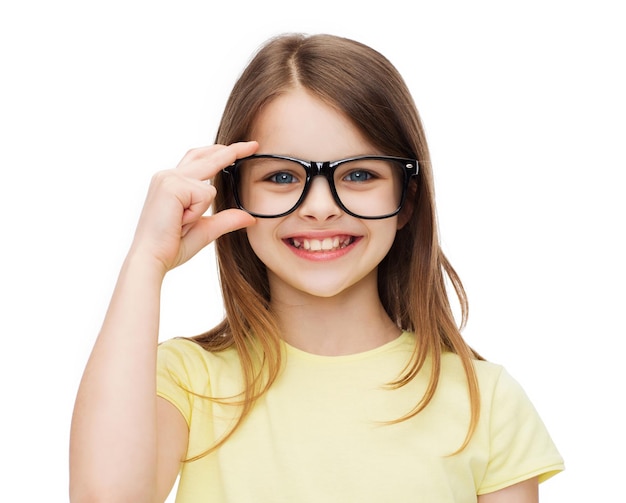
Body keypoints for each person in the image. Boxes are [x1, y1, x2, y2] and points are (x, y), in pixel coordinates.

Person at [69, 33, 564, 502]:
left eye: (359, 174)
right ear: (235, 192)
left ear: (406, 199)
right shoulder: (186, 379)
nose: (321, 207)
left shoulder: (486, 399)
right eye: (283, 176)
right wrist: (145, 262)